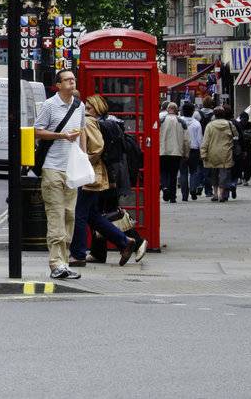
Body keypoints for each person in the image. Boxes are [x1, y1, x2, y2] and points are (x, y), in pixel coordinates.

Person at [72, 95, 147, 267]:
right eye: (86, 106)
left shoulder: (89, 122)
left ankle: (79, 254)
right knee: (93, 215)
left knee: (84, 214)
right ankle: (121, 243)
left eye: (90, 107)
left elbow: (98, 147)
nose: (87, 109)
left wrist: (83, 163)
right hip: (106, 175)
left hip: (94, 175)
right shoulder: (105, 122)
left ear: (97, 108)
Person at [34, 69, 86, 280]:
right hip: (52, 168)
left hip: (72, 169)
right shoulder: (49, 105)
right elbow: (37, 131)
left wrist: (83, 156)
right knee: (56, 215)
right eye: (67, 80)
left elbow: (82, 132)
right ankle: (56, 263)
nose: (72, 82)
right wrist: (60, 135)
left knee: (70, 216)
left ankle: (64, 262)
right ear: (58, 85)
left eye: (73, 79)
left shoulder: (79, 106)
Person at [200, 106, 238, 202]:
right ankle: (222, 194)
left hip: (212, 152)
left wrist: (203, 153)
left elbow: (205, 141)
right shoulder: (229, 124)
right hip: (226, 152)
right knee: (224, 174)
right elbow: (236, 136)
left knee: (214, 174)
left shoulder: (210, 126)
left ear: (215, 115)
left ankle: (215, 194)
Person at [158, 99, 187, 204]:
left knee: (163, 172)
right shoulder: (181, 121)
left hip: (163, 151)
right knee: (173, 174)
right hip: (176, 152)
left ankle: (165, 187)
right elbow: (186, 139)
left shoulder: (160, 120)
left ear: (167, 109)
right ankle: (173, 197)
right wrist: (186, 152)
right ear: (176, 110)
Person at [180, 101, 205, 202]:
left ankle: (184, 195)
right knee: (194, 171)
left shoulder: (179, 121)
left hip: (181, 150)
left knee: (183, 172)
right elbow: (200, 139)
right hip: (194, 150)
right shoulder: (196, 123)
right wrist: (201, 151)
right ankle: (193, 190)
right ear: (193, 111)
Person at [235, 108, 251, 185]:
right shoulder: (238, 125)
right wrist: (247, 135)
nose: (244, 121)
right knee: (239, 163)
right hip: (239, 146)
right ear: (240, 119)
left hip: (248, 145)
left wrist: (244, 135)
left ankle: (246, 179)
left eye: (246, 120)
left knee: (248, 163)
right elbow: (237, 136)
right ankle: (239, 177)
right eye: (243, 120)